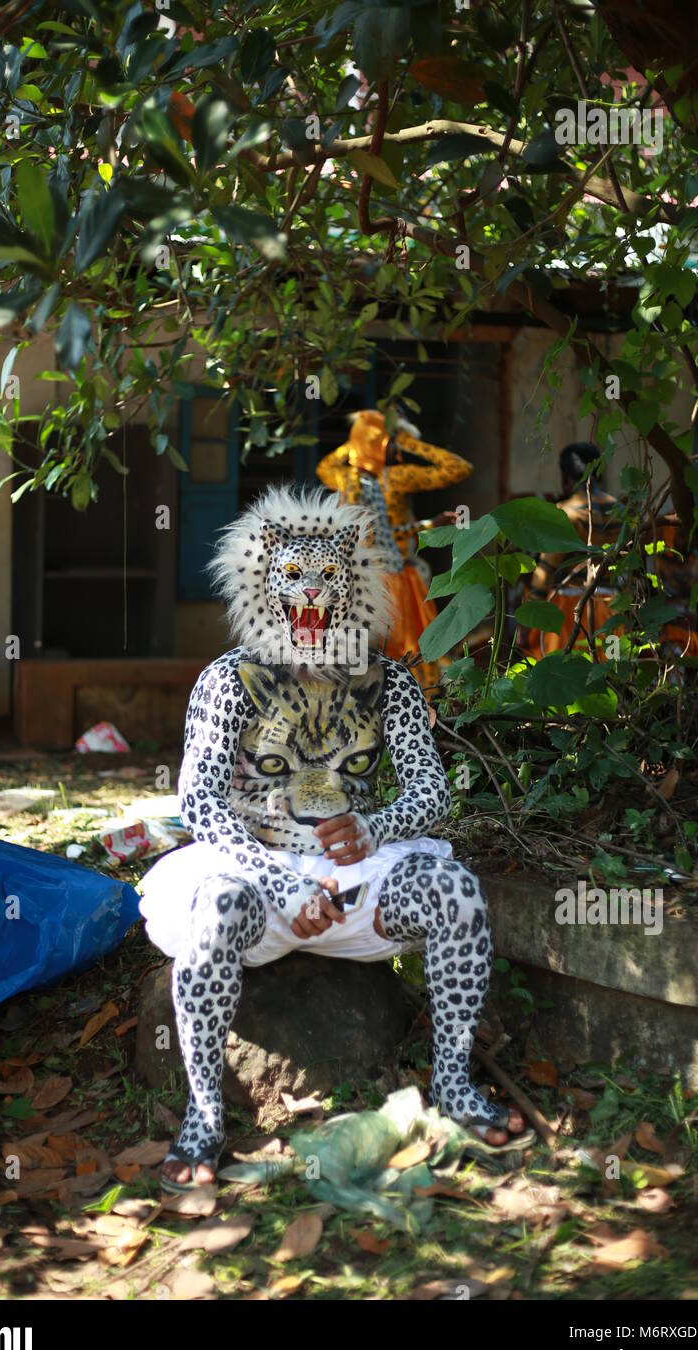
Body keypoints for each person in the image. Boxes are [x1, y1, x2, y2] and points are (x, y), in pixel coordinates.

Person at [138, 484, 527, 1191]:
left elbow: (432, 792)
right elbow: (198, 803)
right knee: (215, 908)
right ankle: (203, 1116)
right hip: (255, 878)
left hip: (357, 881)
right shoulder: (228, 680)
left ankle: (454, 1086)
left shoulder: (391, 683)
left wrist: (375, 825)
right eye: (291, 577)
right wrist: (283, 878)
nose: (311, 594)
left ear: (354, 588)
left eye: (327, 579)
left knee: (457, 894)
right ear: (263, 585)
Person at [316, 410, 473, 694]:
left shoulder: (389, 478)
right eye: (390, 442)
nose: (397, 449)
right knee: (381, 651)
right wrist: (360, 442)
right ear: (374, 442)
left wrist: (403, 441)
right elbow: (324, 470)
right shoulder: (350, 481)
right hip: (371, 580)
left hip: (397, 576)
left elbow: (459, 468)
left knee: (408, 651)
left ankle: (416, 707)